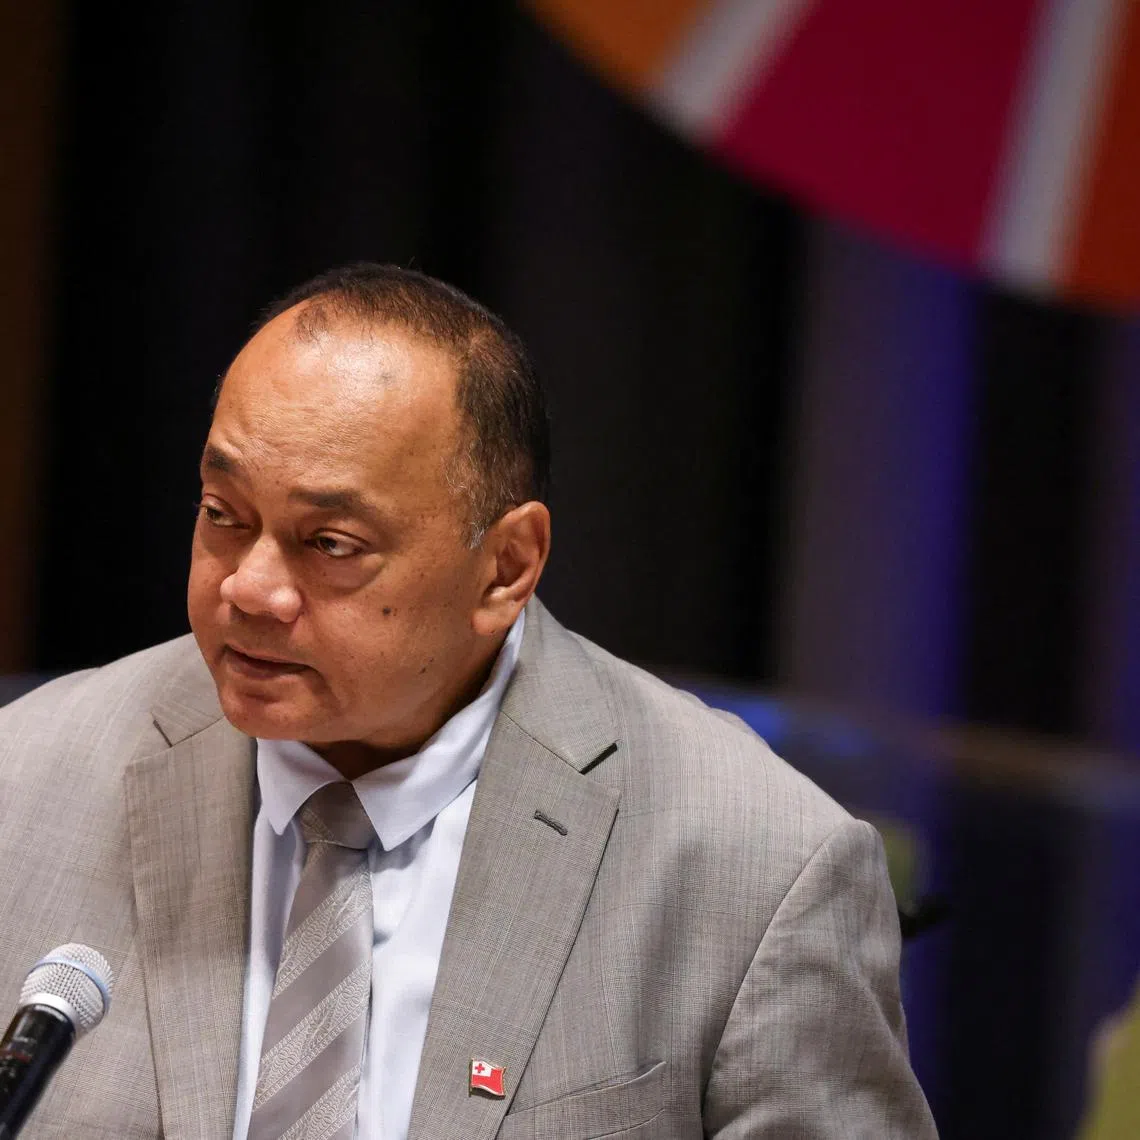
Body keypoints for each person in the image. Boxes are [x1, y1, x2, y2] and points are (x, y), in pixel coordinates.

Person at [0, 264, 937, 1138]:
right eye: (223, 515)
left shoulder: (758, 872)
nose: (249, 589)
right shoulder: (25, 781)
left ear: (507, 567)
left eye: (328, 543)